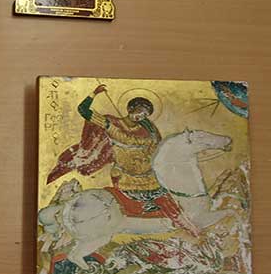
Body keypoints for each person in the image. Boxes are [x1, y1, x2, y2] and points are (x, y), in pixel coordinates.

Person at [47, 84, 199, 236]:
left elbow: (155, 148)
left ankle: (177, 220)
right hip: (126, 175)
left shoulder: (147, 130)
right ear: (131, 108)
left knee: (169, 191)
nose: (141, 116)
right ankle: (182, 223)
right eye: (139, 111)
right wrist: (94, 93)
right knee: (160, 196)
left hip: (147, 172)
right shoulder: (112, 125)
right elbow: (83, 110)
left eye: (145, 115)